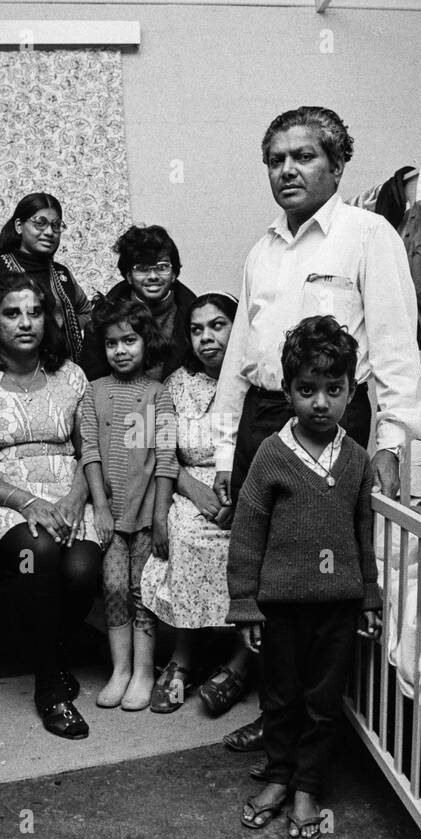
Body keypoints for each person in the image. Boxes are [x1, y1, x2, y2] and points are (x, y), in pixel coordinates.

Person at [211, 105, 421, 753]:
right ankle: (275, 710)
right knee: (272, 576)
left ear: (337, 164)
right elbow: (238, 355)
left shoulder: (368, 234)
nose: (287, 170)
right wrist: (225, 445)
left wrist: (394, 442)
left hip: (336, 422)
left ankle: (318, 724)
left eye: (303, 156)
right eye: (275, 159)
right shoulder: (260, 249)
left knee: (324, 581)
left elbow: (394, 349)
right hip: (262, 422)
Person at [228, 316, 382, 839]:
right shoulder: (273, 454)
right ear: (288, 391)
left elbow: (364, 534)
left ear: (350, 392)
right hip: (281, 607)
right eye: (307, 390)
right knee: (280, 697)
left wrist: (368, 595)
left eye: (332, 390)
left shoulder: (357, 461)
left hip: (336, 608)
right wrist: (245, 602)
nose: (320, 402)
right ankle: (276, 775)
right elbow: (247, 532)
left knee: (323, 702)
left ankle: (307, 786)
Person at [0, 273, 99, 740]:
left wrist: (76, 498)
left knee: (81, 569)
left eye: (35, 312)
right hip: (0, 495)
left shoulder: (70, 375)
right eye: (12, 314)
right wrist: (30, 502)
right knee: (37, 552)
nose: (26, 323)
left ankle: (52, 651)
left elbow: (87, 452)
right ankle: (49, 687)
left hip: (66, 493)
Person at [139, 293, 253, 715]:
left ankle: (242, 662)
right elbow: (161, 452)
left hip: (247, 488)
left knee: (253, 541)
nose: (207, 337)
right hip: (190, 486)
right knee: (187, 534)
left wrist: (239, 494)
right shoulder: (176, 385)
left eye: (218, 325)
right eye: (197, 329)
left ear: (238, 329)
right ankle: (183, 659)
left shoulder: (255, 381)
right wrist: (193, 491)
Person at [79, 297, 179, 710]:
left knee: (144, 590)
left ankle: (143, 672)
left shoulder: (160, 395)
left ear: (145, 342)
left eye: (130, 340)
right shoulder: (94, 392)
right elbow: (89, 452)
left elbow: (167, 459)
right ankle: (120, 670)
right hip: (110, 517)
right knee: (115, 587)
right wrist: (100, 508)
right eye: (111, 343)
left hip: (146, 515)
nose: (120, 350)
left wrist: (159, 518)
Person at [0, 192, 91, 364]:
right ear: (19, 226)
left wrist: (58, 330)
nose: (49, 232)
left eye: (56, 225)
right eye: (40, 223)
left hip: (60, 372)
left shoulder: (62, 274)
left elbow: (86, 311)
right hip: (6, 375)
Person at [79, 224, 196, 381]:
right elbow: (93, 380)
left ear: (174, 274)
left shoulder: (194, 316)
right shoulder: (103, 318)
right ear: (129, 276)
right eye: (142, 268)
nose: (153, 276)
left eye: (162, 267)